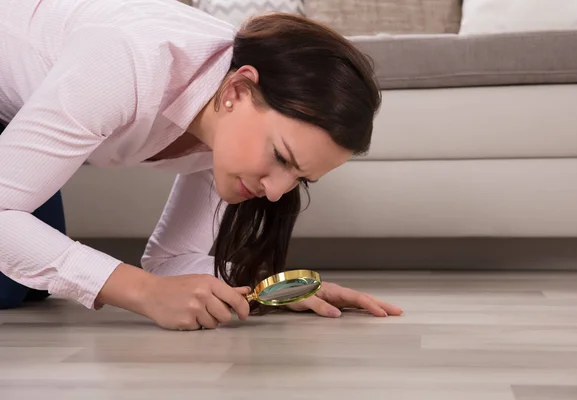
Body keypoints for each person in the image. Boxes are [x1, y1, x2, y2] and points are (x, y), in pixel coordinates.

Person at [0, 0, 402, 330]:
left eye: (301, 179)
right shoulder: (128, 60)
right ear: (237, 91)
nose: (277, 191)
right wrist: (142, 291)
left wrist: (264, 289)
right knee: (10, 283)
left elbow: (172, 260)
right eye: (281, 157)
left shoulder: (228, 129)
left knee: (25, 281)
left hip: (16, 110)